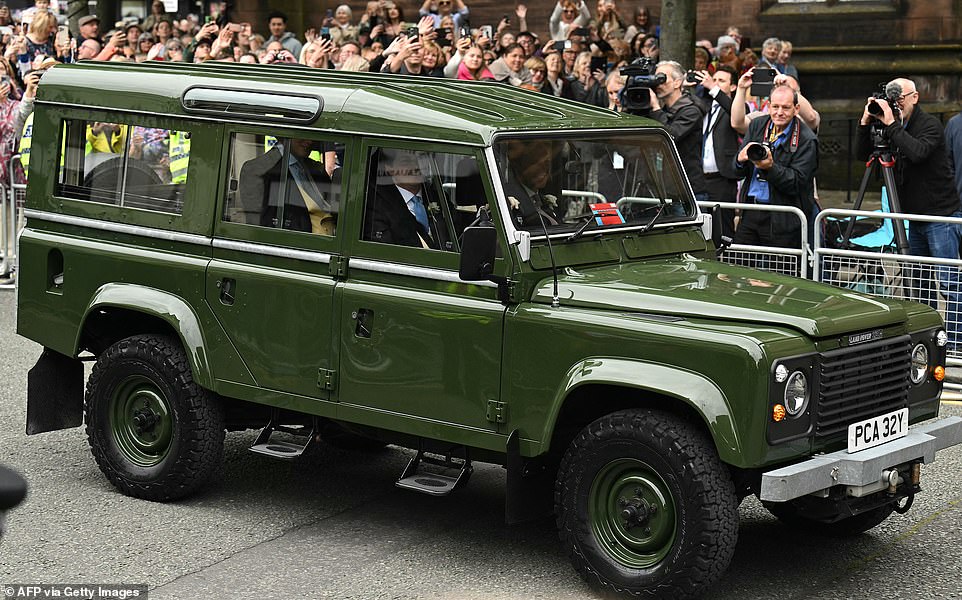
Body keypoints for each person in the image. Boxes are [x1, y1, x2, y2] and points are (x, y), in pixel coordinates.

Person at [862, 78, 961, 348]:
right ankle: (926, 340)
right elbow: (863, 154)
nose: (897, 102)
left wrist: (892, 124)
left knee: (949, 284)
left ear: (915, 97)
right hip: (914, 218)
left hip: (939, 217)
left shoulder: (929, 125)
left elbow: (916, 152)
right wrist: (866, 122)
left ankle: (956, 344)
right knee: (919, 283)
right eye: (892, 97)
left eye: (900, 96)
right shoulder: (891, 126)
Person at [733, 84, 818, 249]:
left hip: (784, 216)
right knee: (739, 266)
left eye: (786, 108)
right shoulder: (758, 125)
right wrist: (740, 160)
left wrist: (770, 168)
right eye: (775, 106)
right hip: (751, 208)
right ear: (768, 106)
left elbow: (797, 183)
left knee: (779, 270)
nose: (779, 112)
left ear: (796, 108)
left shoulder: (807, 139)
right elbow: (735, 172)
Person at [238, 137, 336, 234]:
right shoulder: (257, 170)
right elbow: (258, 228)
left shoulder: (315, 168)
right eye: (300, 133)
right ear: (283, 135)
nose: (310, 141)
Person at [692, 65, 742, 238]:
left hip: (722, 177)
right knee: (699, 227)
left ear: (733, 86)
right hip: (699, 176)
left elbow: (738, 117)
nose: (715, 83)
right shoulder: (704, 105)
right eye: (715, 79)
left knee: (723, 228)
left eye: (721, 81)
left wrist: (714, 89)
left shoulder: (735, 107)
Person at [364, 148, 448, 249]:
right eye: (406, 162)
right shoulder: (377, 205)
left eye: (421, 159)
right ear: (389, 168)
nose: (417, 166)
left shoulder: (439, 197)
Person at [648, 60, 707, 201]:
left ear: (677, 82)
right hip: (667, 187)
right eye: (656, 79)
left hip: (688, 189)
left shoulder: (691, 111)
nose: (658, 84)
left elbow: (669, 135)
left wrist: (655, 108)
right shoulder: (665, 111)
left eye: (662, 79)